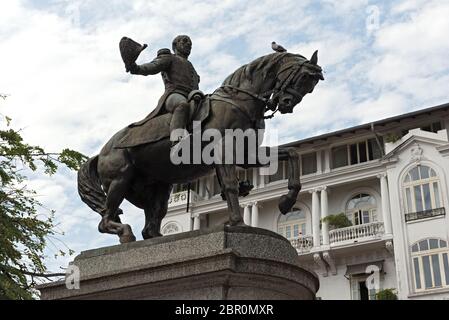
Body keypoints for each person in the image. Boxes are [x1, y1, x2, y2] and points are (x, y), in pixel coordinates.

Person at [128, 35, 200, 144]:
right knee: (182, 105)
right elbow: (153, 67)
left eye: (190, 42)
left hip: (193, 97)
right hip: (174, 95)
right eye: (185, 41)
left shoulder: (192, 68)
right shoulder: (169, 57)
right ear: (175, 45)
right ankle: (176, 141)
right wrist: (136, 68)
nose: (189, 44)